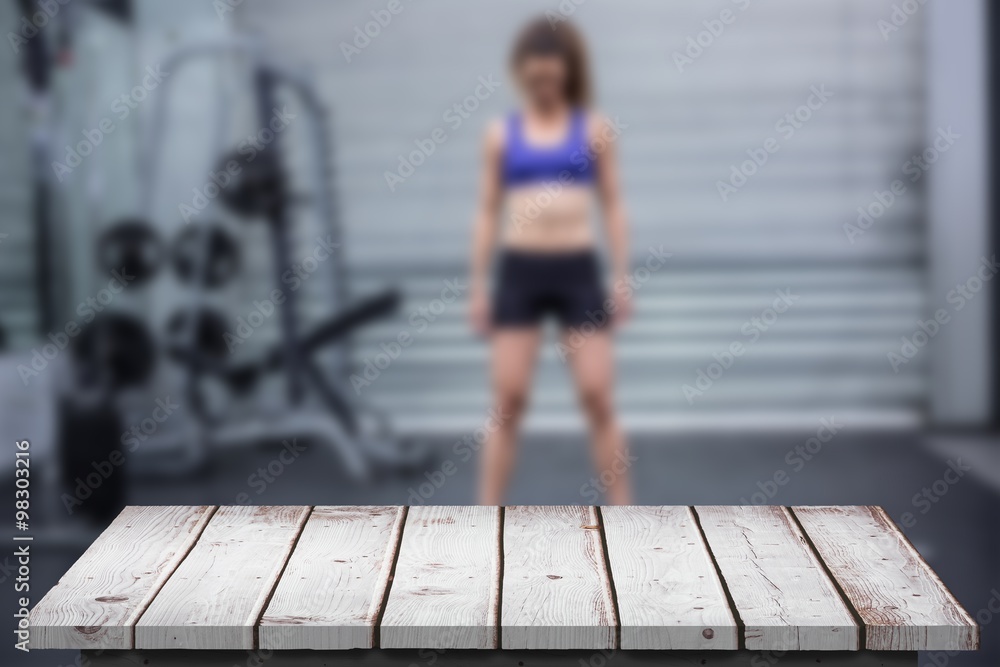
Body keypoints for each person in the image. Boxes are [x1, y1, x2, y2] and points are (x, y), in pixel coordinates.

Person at [469, 18, 632, 505]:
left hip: (577, 270)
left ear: (567, 74)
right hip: (520, 272)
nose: (543, 87)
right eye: (534, 78)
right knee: (508, 402)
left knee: (598, 398)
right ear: (522, 75)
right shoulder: (501, 135)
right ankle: (484, 519)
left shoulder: (594, 130)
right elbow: (486, 211)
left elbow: (614, 204)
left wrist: (622, 277)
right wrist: (477, 286)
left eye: (552, 78)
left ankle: (627, 518)